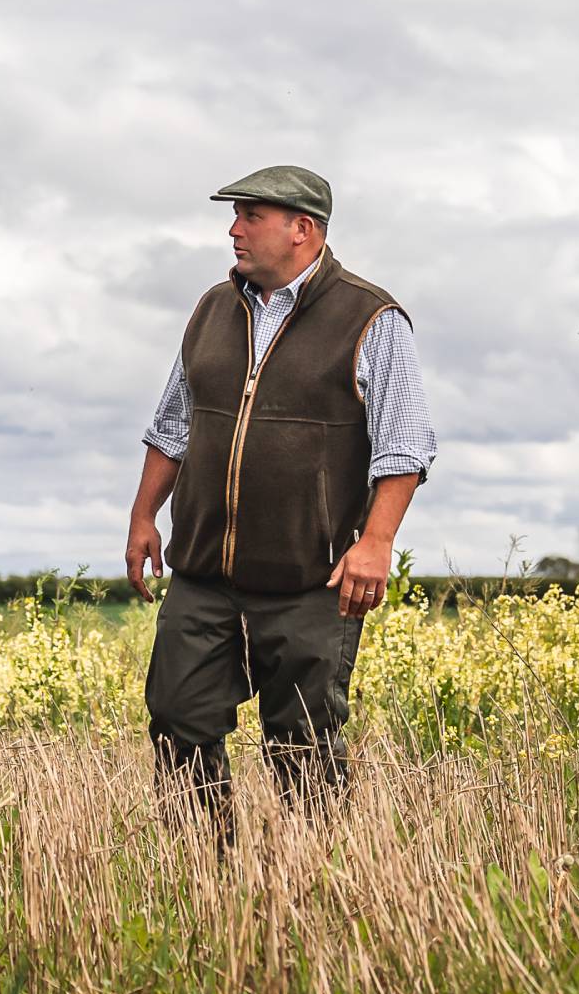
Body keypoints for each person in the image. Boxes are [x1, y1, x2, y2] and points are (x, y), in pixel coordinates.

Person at [122, 165, 436, 838]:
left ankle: (309, 882)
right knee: (178, 723)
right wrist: (143, 516)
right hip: (203, 575)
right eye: (234, 217)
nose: (233, 230)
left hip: (310, 582)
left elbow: (404, 447)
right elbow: (173, 424)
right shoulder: (213, 308)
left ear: (303, 229)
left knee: (303, 743)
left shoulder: (371, 318)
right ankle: (204, 875)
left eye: (250, 217)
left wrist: (375, 543)